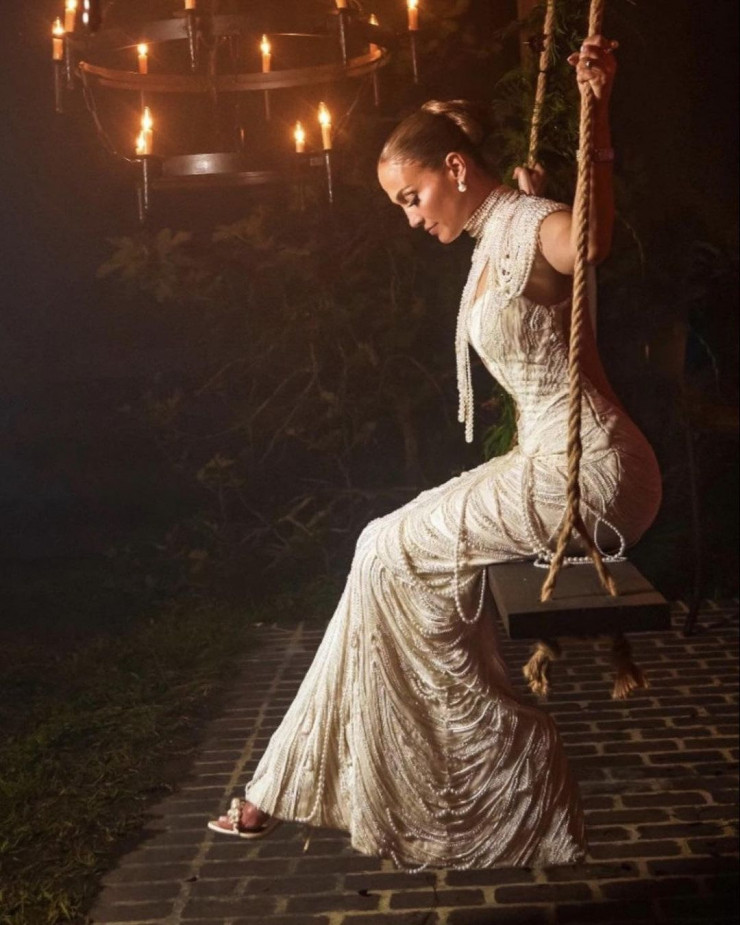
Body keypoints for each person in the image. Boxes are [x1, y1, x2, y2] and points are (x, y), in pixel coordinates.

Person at [207, 34, 661, 869]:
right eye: (400, 206)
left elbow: (589, 242)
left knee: (384, 548)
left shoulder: (530, 225)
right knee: (379, 550)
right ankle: (277, 782)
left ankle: (511, 763)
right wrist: (533, 201)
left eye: (412, 197)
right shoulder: (499, 231)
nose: (412, 219)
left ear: (455, 168)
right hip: (544, 461)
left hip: (592, 472)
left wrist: (597, 112)